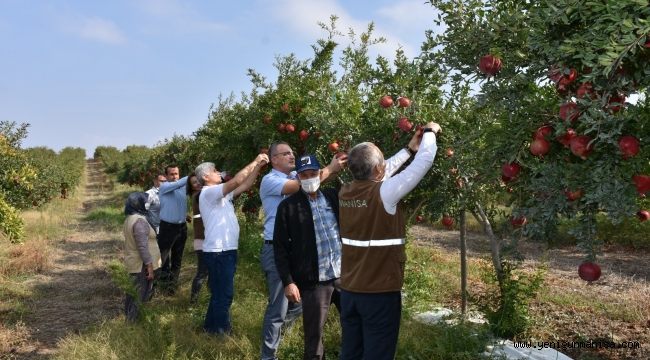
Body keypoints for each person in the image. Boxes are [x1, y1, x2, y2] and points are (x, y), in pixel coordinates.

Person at [338, 121, 441, 359]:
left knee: (351, 352)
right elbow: (423, 163)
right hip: (379, 293)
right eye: (381, 164)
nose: (384, 167)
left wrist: (407, 149)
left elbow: (380, 171)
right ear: (377, 171)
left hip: (351, 291)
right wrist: (430, 133)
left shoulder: (346, 191)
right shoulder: (383, 193)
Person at [259, 141, 346, 360]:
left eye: (313, 173)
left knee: (353, 323)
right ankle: (268, 355)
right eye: (304, 175)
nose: (309, 178)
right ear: (297, 177)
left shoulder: (332, 196)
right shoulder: (284, 199)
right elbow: (280, 245)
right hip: (306, 272)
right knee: (306, 330)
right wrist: (289, 280)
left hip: (342, 275)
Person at [197, 152, 269, 335]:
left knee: (219, 293)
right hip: (219, 251)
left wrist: (258, 168)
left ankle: (209, 328)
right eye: (214, 170)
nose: (218, 172)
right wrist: (254, 160)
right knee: (225, 295)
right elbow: (237, 181)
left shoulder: (221, 195)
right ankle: (221, 332)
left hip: (224, 251)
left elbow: (245, 185)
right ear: (206, 177)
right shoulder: (209, 192)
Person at [123, 192, 162, 322]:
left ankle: (130, 319)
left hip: (134, 262)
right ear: (138, 204)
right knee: (140, 294)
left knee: (133, 293)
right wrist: (149, 266)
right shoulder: (139, 221)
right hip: (142, 265)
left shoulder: (130, 218)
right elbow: (142, 247)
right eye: (144, 202)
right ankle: (133, 322)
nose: (147, 204)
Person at [157, 165, 189, 295]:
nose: (175, 176)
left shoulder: (182, 188)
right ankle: (162, 285)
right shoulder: (164, 187)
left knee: (178, 258)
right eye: (172, 174)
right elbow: (184, 181)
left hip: (181, 227)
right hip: (167, 227)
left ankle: (172, 287)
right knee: (164, 258)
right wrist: (197, 172)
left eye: (176, 173)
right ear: (166, 176)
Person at [187, 173, 208, 304]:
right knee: (202, 272)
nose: (198, 183)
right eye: (194, 182)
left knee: (208, 272)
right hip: (202, 240)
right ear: (192, 187)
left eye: (199, 180)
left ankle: (207, 299)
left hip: (207, 239)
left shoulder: (202, 194)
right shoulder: (198, 196)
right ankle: (193, 301)